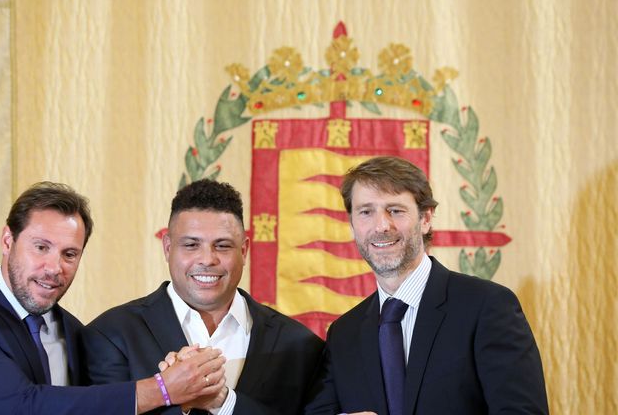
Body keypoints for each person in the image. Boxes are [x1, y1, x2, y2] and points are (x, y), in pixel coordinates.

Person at [0, 181, 226, 414]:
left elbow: (95, 407)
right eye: (41, 247)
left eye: (69, 254)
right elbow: (22, 406)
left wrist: (184, 379)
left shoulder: (73, 330)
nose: (54, 267)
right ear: (8, 240)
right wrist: (162, 388)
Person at [305, 156, 548, 415]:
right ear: (352, 224)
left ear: (426, 219)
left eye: (395, 210)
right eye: (366, 212)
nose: (381, 225)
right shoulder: (344, 333)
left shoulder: (487, 306)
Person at [83, 179, 325, 414]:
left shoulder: (300, 346)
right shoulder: (112, 334)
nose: (207, 259)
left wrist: (223, 402)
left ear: (244, 251)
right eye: (191, 245)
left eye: (222, 246)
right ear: (168, 248)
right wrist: (172, 393)